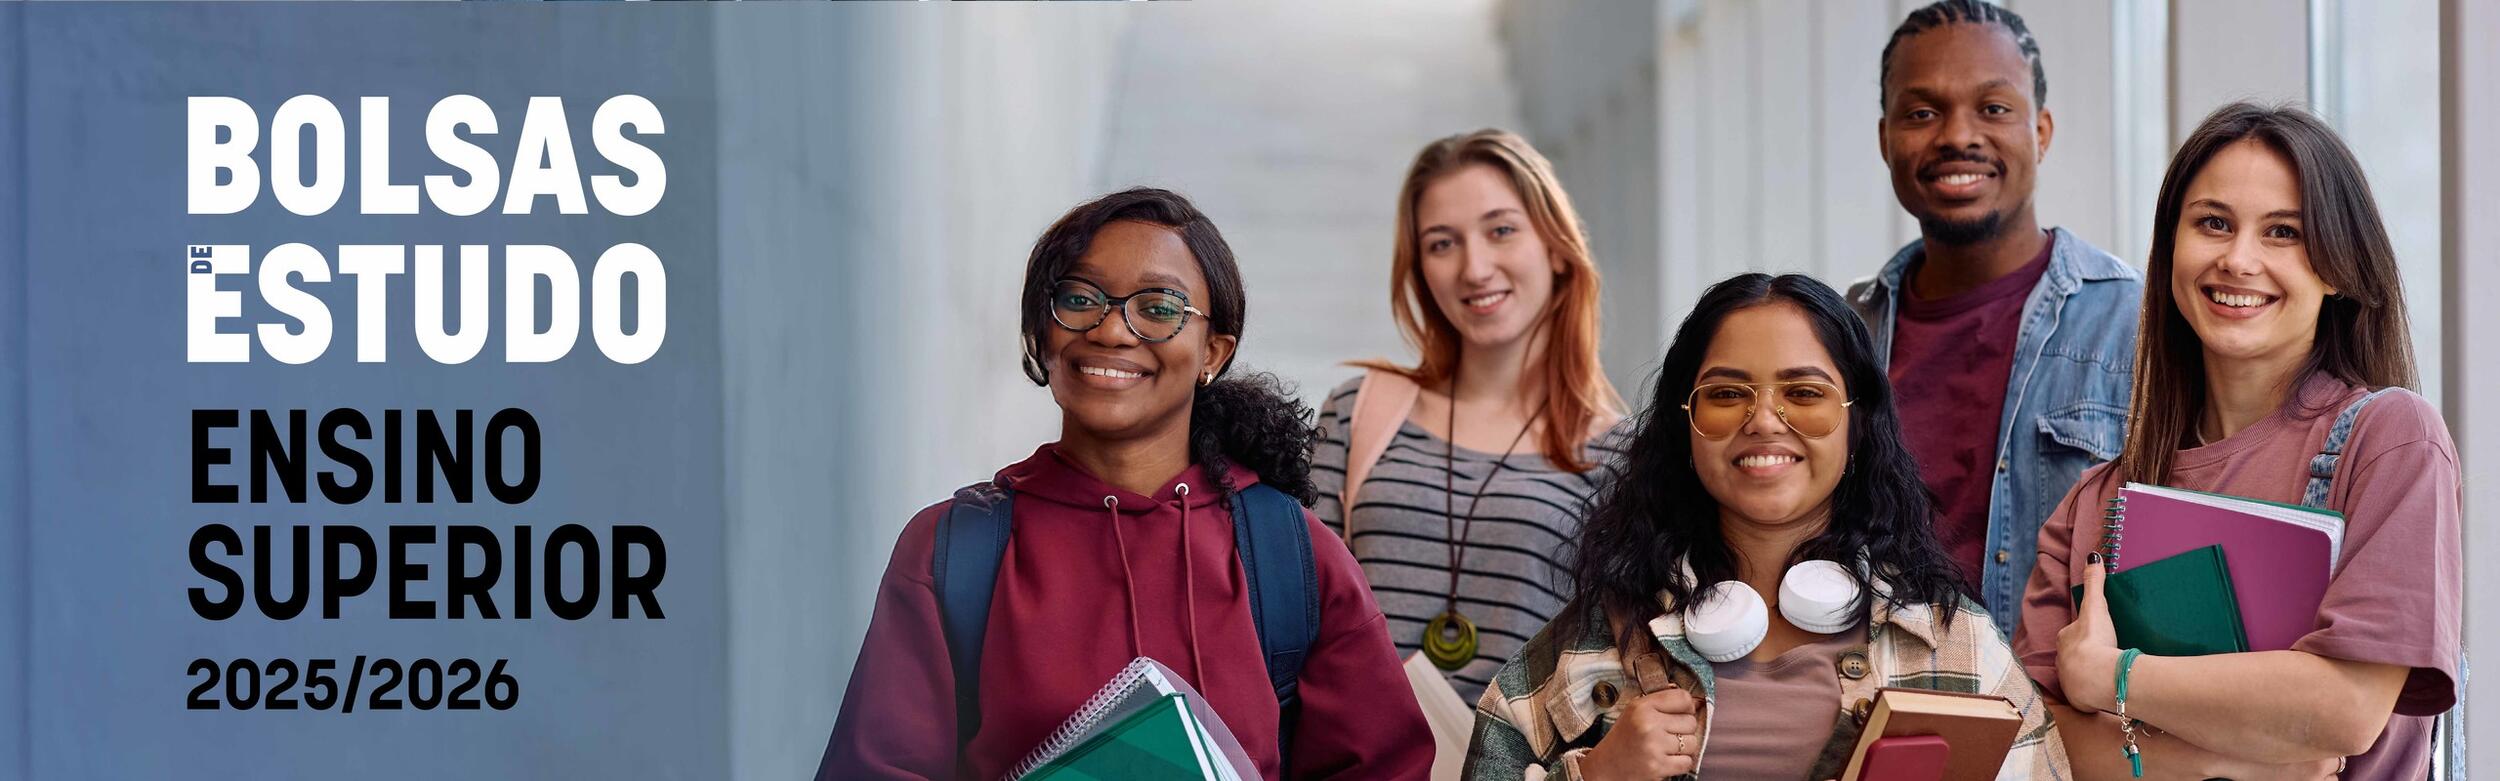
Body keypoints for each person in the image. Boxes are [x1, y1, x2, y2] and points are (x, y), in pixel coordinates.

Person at [819, 188, 1431, 780]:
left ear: (1214, 352)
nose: (1111, 331)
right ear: (1041, 333)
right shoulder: (955, 552)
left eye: (1159, 308)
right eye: (1079, 299)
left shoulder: (1293, 556)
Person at [2013, 102, 2462, 780]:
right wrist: (2244, 764)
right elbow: (2032, 746)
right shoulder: (2093, 503)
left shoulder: (2391, 441)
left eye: (2284, 232)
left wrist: (2110, 676)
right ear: (2171, 247)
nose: (2238, 259)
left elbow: (2345, 708)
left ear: (2338, 267)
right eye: (2213, 223)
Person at [1467, 274, 2065, 780]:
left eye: (1804, 392)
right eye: (1727, 393)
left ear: (1857, 424)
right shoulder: (1596, 638)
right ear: (1686, 424)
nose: (1763, 421)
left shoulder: (1955, 643)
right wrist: (1597, 776)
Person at [1851, 0, 2145, 638]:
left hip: (2053, 697)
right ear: (1884, 139)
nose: (1958, 135)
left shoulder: (2137, 327)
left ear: (2041, 131)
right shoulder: (1844, 337)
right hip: (1868, 691)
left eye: (1993, 108)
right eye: (1922, 113)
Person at [1311, 129, 1628, 704]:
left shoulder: (1620, 456)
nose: (1474, 268)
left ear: (1556, 247)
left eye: (1501, 230)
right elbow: (1298, 608)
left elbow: (1611, 668)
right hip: (1359, 747)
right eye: (1442, 244)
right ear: (1420, 270)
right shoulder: (1357, 412)